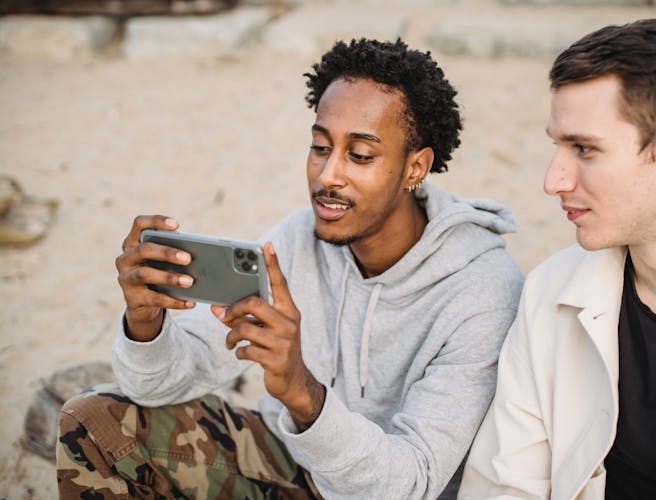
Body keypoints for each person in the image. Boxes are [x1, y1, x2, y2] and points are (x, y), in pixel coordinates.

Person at [56, 38, 524, 499]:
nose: (328, 176)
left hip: (385, 489)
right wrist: (145, 323)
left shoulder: (482, 292)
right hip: (295, 468)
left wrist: (303, 393)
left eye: (359, 155)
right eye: (321, 147)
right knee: (93, 421)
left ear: (415, 167)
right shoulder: (299, 239)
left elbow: (413, 482)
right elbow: (154, 386)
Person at [459, 18, 656, 500]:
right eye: (558, 146)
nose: (554, 180)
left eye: (584, 149)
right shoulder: (549, 292)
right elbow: (503, 489)